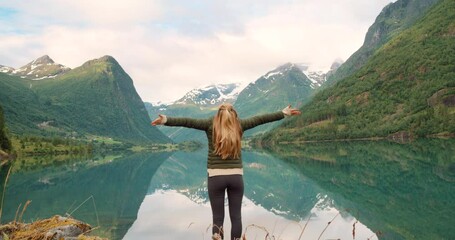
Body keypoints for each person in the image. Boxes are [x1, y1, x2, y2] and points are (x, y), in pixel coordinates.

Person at [151, 103, 300, 240]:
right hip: (236, 177)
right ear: (233, 114)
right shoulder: (239, 124)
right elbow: (261, 119)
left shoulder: (210, 123)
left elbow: (188, 122)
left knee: (217, 218)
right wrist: (283, 113)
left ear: (218, 114)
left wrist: (166, 120)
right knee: (236, 217)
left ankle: (217, 237)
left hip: (216, 177)